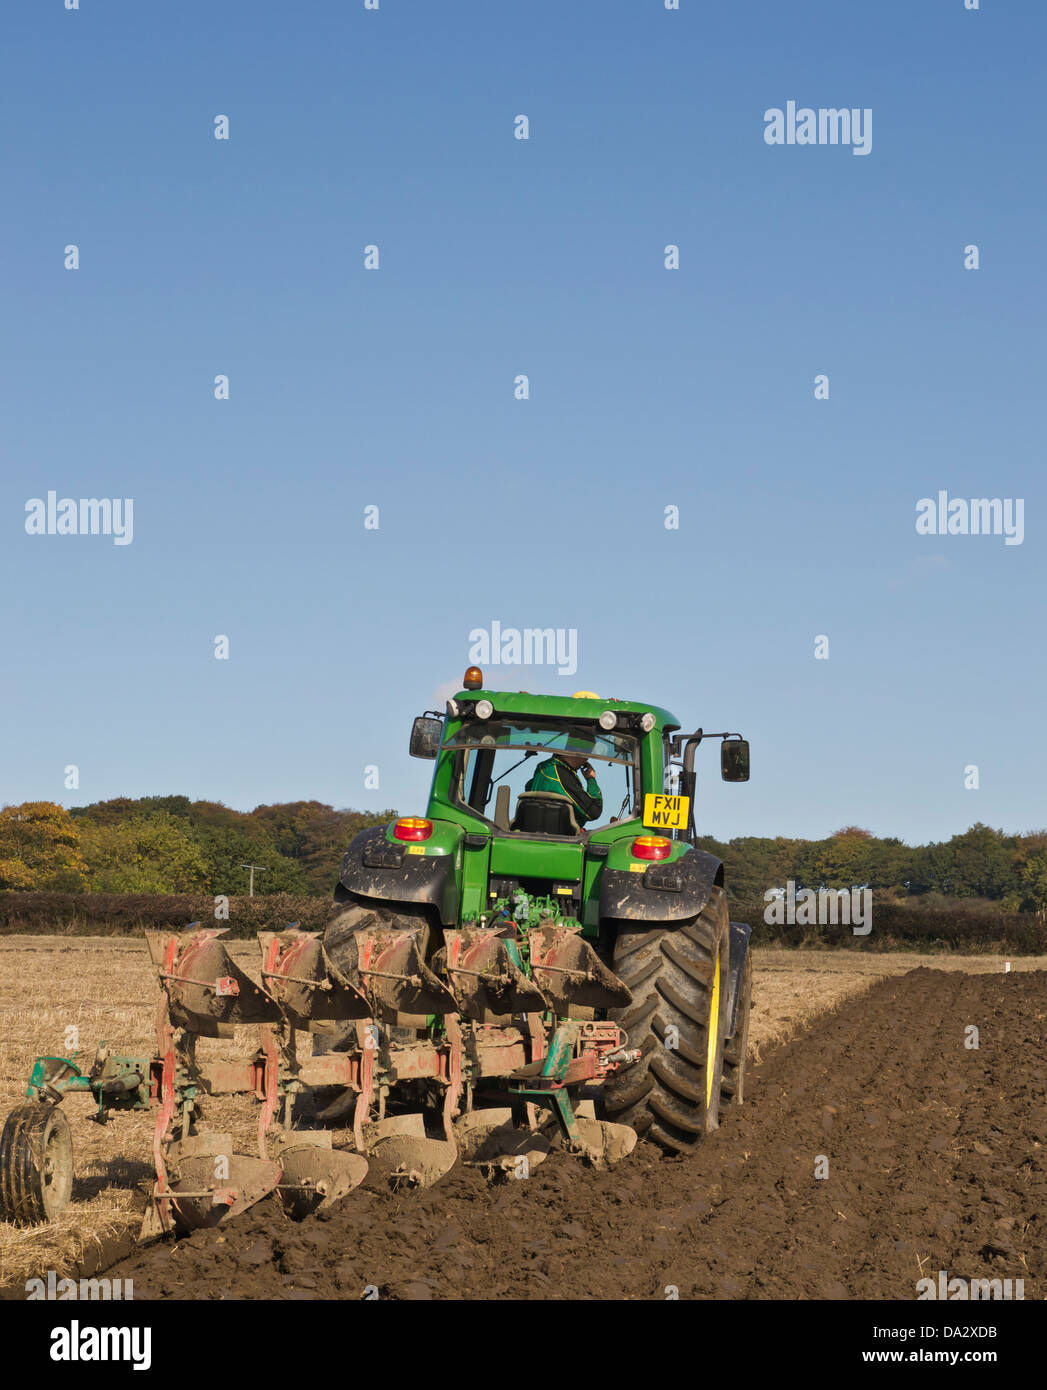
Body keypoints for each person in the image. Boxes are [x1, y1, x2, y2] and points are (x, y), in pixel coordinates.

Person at [525, 731, 603, 827]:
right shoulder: (563, 775)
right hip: (562, 833)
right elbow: (594, 811)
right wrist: (591, 779)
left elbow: (528, 787)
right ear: (581, 752)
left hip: (532, 828)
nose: (587, 758)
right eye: (588, 753)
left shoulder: (543, 768)